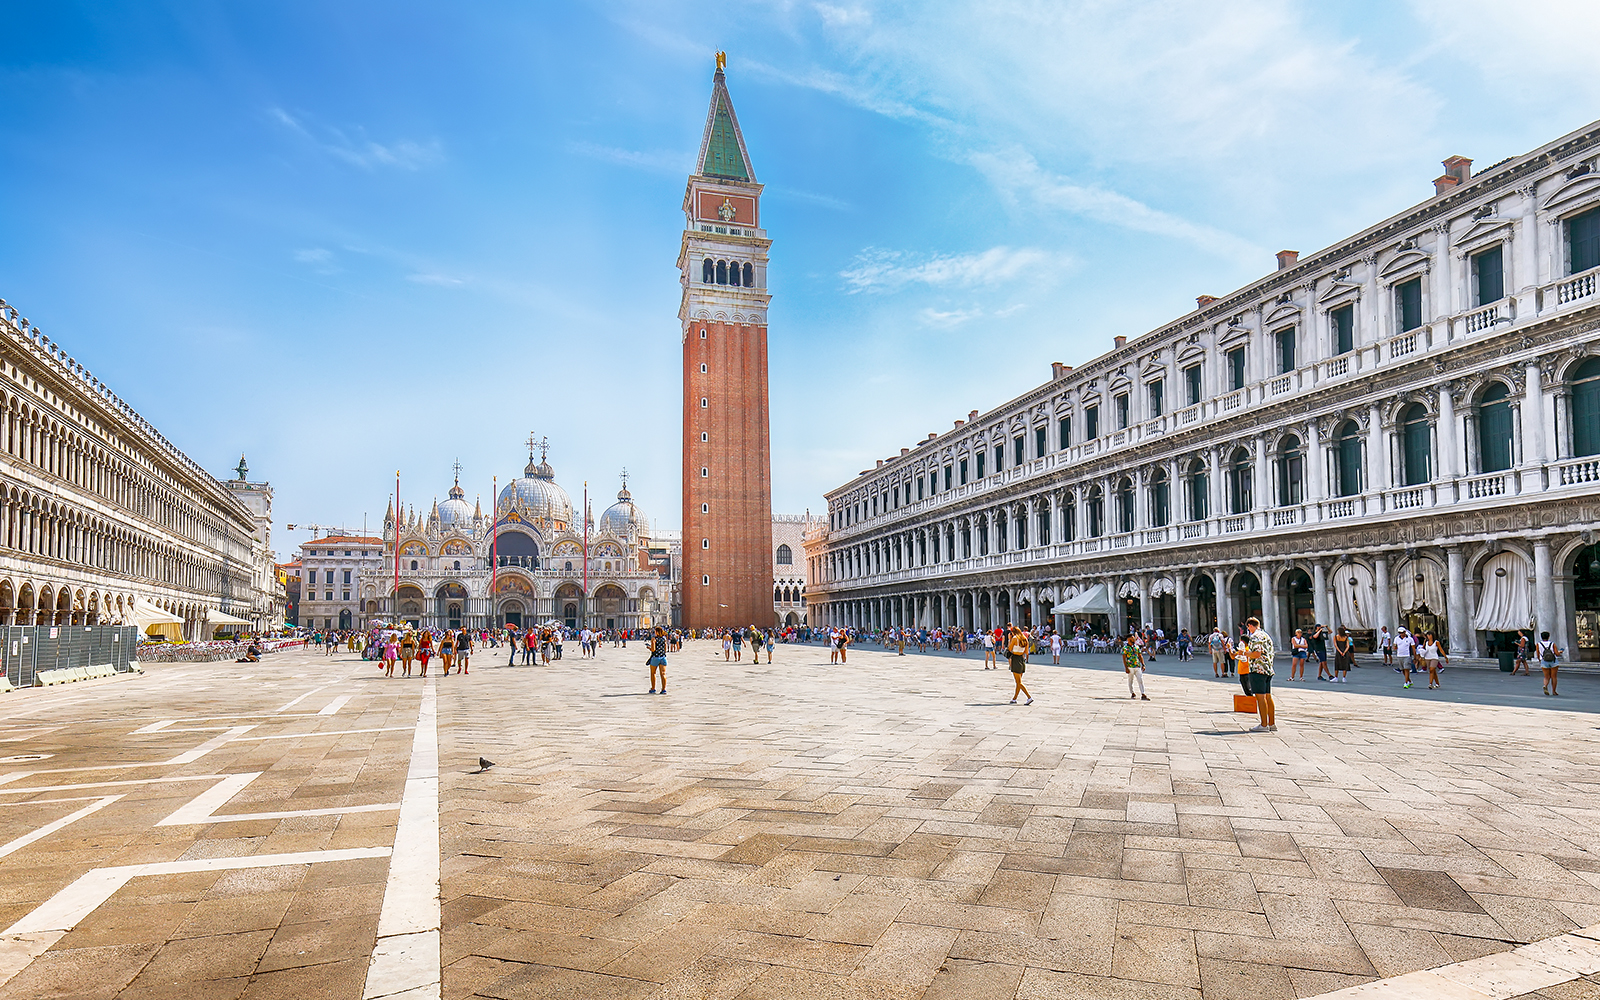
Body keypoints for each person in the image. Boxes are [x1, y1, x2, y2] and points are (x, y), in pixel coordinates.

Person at [1244, 616, 1276, 732]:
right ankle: (1272, 723)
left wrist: (1245, 653)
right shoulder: (1265, 635)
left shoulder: (1255, 636)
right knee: (1268, 696)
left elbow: (1257, 654)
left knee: (1260, 697)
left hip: (1258, 669)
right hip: (1268, 668)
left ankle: (1263, 724)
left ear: (1250, 626)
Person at [1005, 624, 1032, 705]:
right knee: (1018, 681)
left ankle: (1029, 697)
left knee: (1019, 682)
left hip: (1016, 659)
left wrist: (1010, 640)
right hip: (1022, 659)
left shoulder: (1014, 638)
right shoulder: (1025, 639)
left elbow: (1009, 649)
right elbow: (1026, 652)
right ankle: (1014, 698)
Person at [1121, 634, 1149, 700]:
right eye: (1132, 638)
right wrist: (1126, 668)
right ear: (1128, 639)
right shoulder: (1125, 648)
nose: (1134, 639)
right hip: (1130, 666)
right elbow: (1124, 658)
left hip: (1137, 666)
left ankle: (1143, 693)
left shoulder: (1136, 647)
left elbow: (1140, 656)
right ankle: (1132, 693)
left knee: (1140, 680)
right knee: (1130, 680)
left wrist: (1143, 664)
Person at [1536, 630, 1562, 695]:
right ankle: (1554, 691)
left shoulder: (1538, 644)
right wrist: (1560, 652)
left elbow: (1538, 653)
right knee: (1554, 677)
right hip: (1553, 661)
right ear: (1548, 637)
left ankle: (1545, 685)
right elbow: (1556, 653)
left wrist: (1539, 659)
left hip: (1544, 661)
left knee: (1546, 676)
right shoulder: (1552, 644)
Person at [647, 626, 669, 694]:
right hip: (663, 657)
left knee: (653, 673)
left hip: (655, 657)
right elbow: (665, 649)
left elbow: (653, 649)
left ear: (656, 632)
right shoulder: (664, 638)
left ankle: (653, 689)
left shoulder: (654, 639)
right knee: (663, 674)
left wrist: (649, 648)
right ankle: (663, 689)